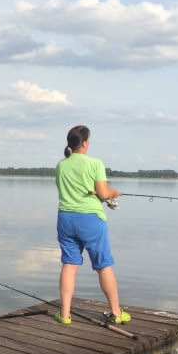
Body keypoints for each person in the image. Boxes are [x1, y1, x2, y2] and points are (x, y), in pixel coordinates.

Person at [54, 125, 130, 325]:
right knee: (104, 266)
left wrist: (97, 192)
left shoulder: (61, 165)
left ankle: (65, 315)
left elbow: (69, 190)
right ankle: (116, 313)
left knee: (69, 265)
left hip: (65, 219)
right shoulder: (95, 163)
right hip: (90, 220)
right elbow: (104, 194)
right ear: (85, 143)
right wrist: (114, 193)